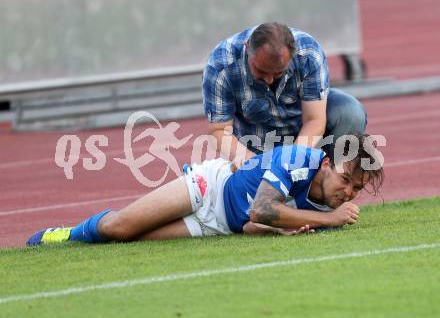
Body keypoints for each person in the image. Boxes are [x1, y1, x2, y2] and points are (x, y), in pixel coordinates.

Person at [27, 133, 383, 246]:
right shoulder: (297, 159)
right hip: (208, 187)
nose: (348, 192)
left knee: (130, 240)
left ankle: (78, 237)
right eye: (345, 179)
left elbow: (251, 224)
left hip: (218, 224)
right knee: (118, 227)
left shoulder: (323, 204)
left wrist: (282, 231)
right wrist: (328, 221)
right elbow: (261, 208)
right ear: (324, 163)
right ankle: (64, 235)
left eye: (356, 188)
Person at [202, 22, 367, 169]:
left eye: (278, 72)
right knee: (266, 199)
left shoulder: (309, 53)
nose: (268, 79)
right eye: (261, 70)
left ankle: (329, 186)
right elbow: (219, 130)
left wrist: (290, 163)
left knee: (350, 112)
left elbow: (314, 120)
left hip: (305, 136)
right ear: (247, 48)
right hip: (255, 145)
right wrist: (252, 164)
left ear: (292, 56)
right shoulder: (221, 64)